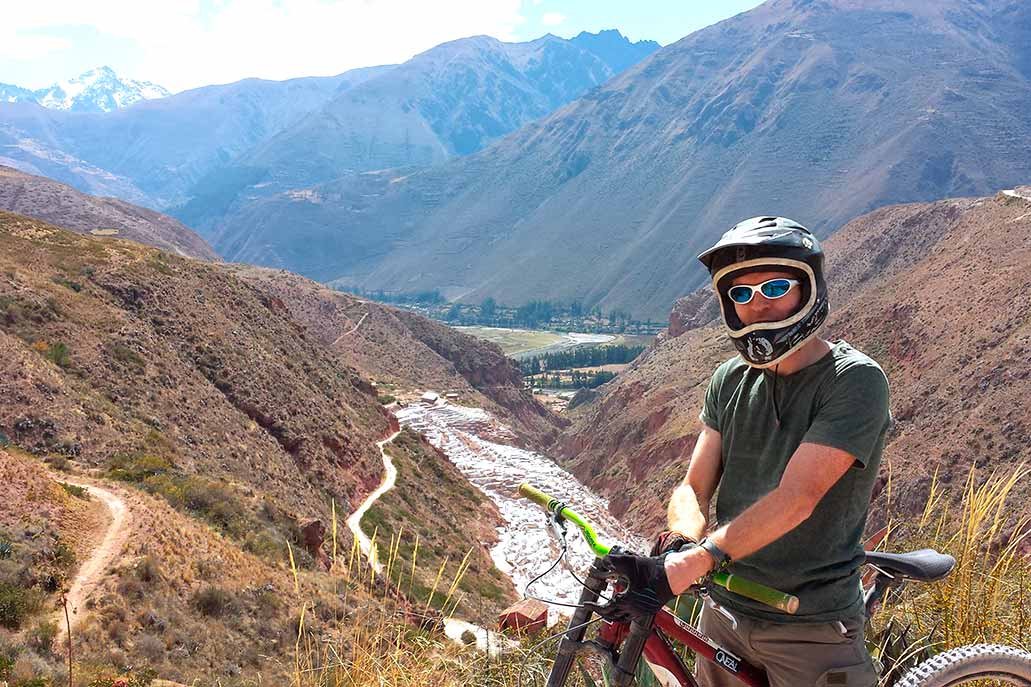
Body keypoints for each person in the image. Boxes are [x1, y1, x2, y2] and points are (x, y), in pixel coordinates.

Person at [586, 216, 891, 687]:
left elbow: (798, 497)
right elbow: (693, 484)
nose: (758, 305)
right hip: (725, 610)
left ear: (808, 288)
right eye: (741, 294)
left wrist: (698, 560)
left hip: (808, 621)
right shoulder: (730, 377)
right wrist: (686, 538)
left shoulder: (853, 381)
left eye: (774, 286)